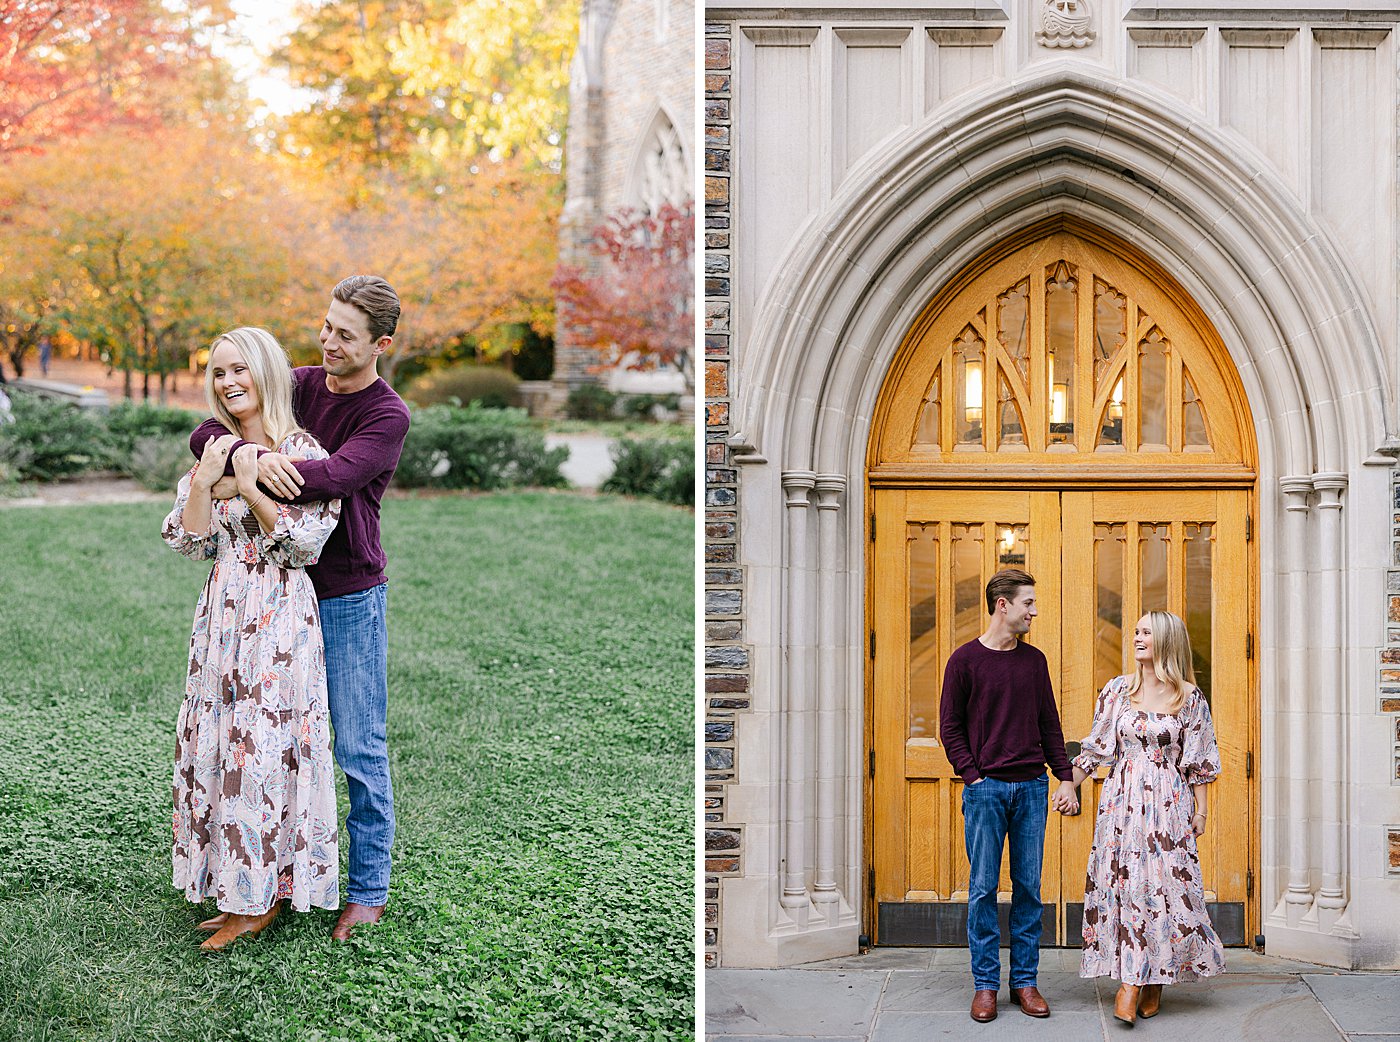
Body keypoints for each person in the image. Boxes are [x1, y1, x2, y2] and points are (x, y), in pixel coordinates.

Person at [190, 275, 411, 941]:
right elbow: (214, 418)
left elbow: (336, 476)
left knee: (357, 747)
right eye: (326, 326)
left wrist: (243, 475)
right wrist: (244, 453)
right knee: (272, 744)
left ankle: (368, 889)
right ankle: (271, 881)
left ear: (381, 344)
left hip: (344, 593)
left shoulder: (386, 415)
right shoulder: (304, 382)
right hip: (273, 597)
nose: (328, 342)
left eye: (346, 335)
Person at [162, 327, 342, 952]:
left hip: (279, 618)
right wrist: (210, 479)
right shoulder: (219, 446)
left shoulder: (302, 451)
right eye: (218, 373)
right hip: (222, 614)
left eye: (240, 369)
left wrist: (249, 487)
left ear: (266, 373)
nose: (228, 382)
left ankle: (259, 898)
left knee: (262, 751)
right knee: (220, 745)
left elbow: (301, 545)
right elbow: (191, 542)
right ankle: (230, 883)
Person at [1062, 610, 1226, 1024]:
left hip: (1169, 804)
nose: (1136, 637)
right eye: (1135, 631)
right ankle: (1132, 980)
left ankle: (1151, 978)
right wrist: (1070, 784)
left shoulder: (1188, 697)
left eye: (1145, 633)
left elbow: (1199, 762)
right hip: (1121, 804)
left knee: (1164, 888)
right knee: (1127, 886)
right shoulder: (1117, 691)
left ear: (1166, 641)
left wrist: (1201, 811)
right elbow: (1097, 748)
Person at [939, 568, 1079, 1023]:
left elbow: (1049, 724)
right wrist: (973, 777)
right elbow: (950, 728)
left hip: (1033, 789)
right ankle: (985, 985)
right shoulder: (964, 661)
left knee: (1029, 890)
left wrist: (1064, 778)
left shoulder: (1034, 662)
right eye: (1028, 603)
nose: (1034, 611)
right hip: (986, 792)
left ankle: (1025, 982)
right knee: (982, 890)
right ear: (1003, 605)